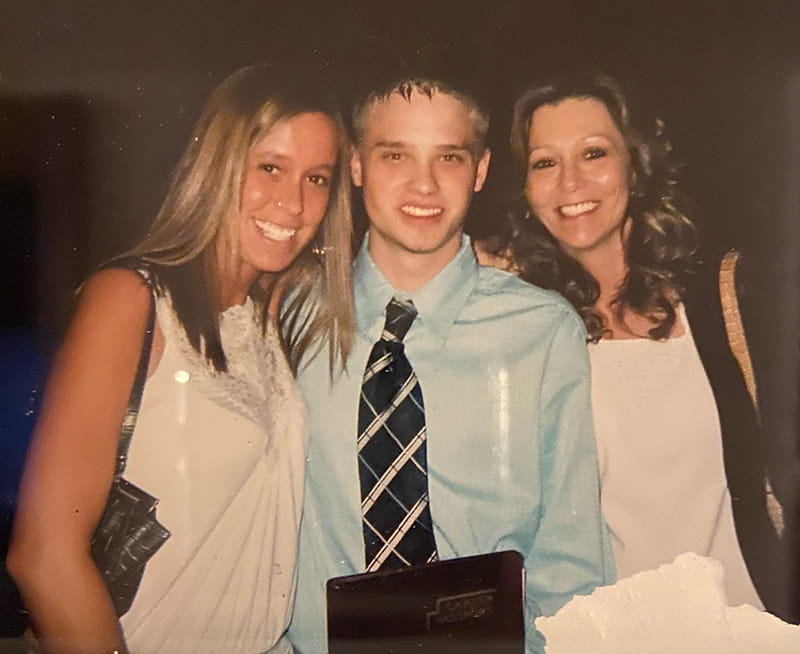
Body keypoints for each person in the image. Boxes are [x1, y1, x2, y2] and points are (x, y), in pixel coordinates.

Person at [6, 63, 354, 654]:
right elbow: (42, 556)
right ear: (218, 165)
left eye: (317, 179)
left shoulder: (273, 314)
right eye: (269, 167)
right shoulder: (134, 300)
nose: (293, 202)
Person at [287, 74, 613, 654]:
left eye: (449, 158)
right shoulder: (289, 318)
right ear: (356, 164)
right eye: (395, 155)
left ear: (481, 170)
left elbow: (570, 560)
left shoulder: (540, 331)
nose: (425, 184)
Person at [478, 73, 792, 620]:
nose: (570, 183)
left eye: (594, 153)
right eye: (545, 163)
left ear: (636, 165)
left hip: (749, 626)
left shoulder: (725, 299)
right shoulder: (524, 326)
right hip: (609, 633)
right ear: (526, 189)